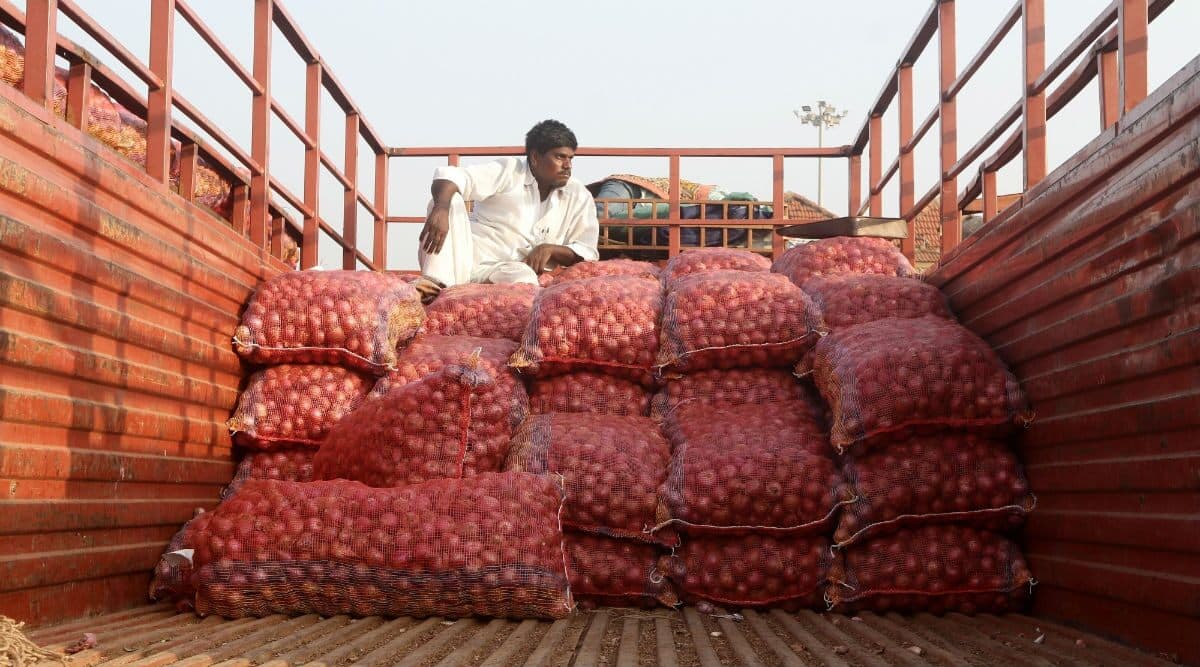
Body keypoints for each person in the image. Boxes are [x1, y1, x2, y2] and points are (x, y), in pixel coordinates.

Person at [413, 120, 600, 302]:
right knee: (449, 198)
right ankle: (434, 288)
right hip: (464, 262)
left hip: (508, 269)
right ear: (535, 158)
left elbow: (587, 251)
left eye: (570, 158)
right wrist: (441, 208)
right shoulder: (509, 171)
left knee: (524, 281)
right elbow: (451, 176)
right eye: (559, 157)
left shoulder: (578, 195)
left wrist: (550, 249)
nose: (567, 165)